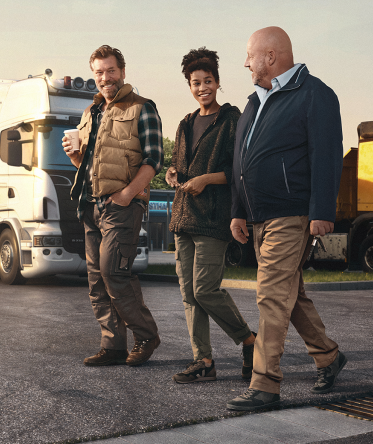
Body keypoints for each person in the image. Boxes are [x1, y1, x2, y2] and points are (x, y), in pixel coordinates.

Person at [226, 26, 347, 411]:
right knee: (290, 297)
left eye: (250, 55)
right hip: (258, 215)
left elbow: (326, 155)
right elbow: (240, 163)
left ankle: (265, 384)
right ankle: (329, 357)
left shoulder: (315, 95)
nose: (245, 62)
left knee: (271, 295)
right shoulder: (254, 102)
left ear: (271, 56)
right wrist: (238, 211)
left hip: (290, 214)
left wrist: (322, 212)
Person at [63, 45, 164, 367]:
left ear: (122, 71)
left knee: (114, 273)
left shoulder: (142, 108)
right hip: (90, 205)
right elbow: (89, 165)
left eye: (110, 71)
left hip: (122, 206)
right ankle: (114, 346)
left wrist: (127, 194)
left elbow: (154, 159)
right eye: (99, 73)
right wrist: (75, 157)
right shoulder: (90, 113)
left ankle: (146, 335)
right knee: (96, 280)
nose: (105, 78)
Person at [164, 47, 257, 385]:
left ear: (218, 82)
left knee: (205, 289)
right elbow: (177, 164)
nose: (201, 88)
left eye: (207, 81)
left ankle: (249, 341)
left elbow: (237, 170)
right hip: (182, 218)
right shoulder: (185, 123)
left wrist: (206, 179)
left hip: (213, 219)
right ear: (189, 86)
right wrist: (174, 174)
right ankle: (202, 360)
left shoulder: (230, 120)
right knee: (189, 294)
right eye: (195, 82)